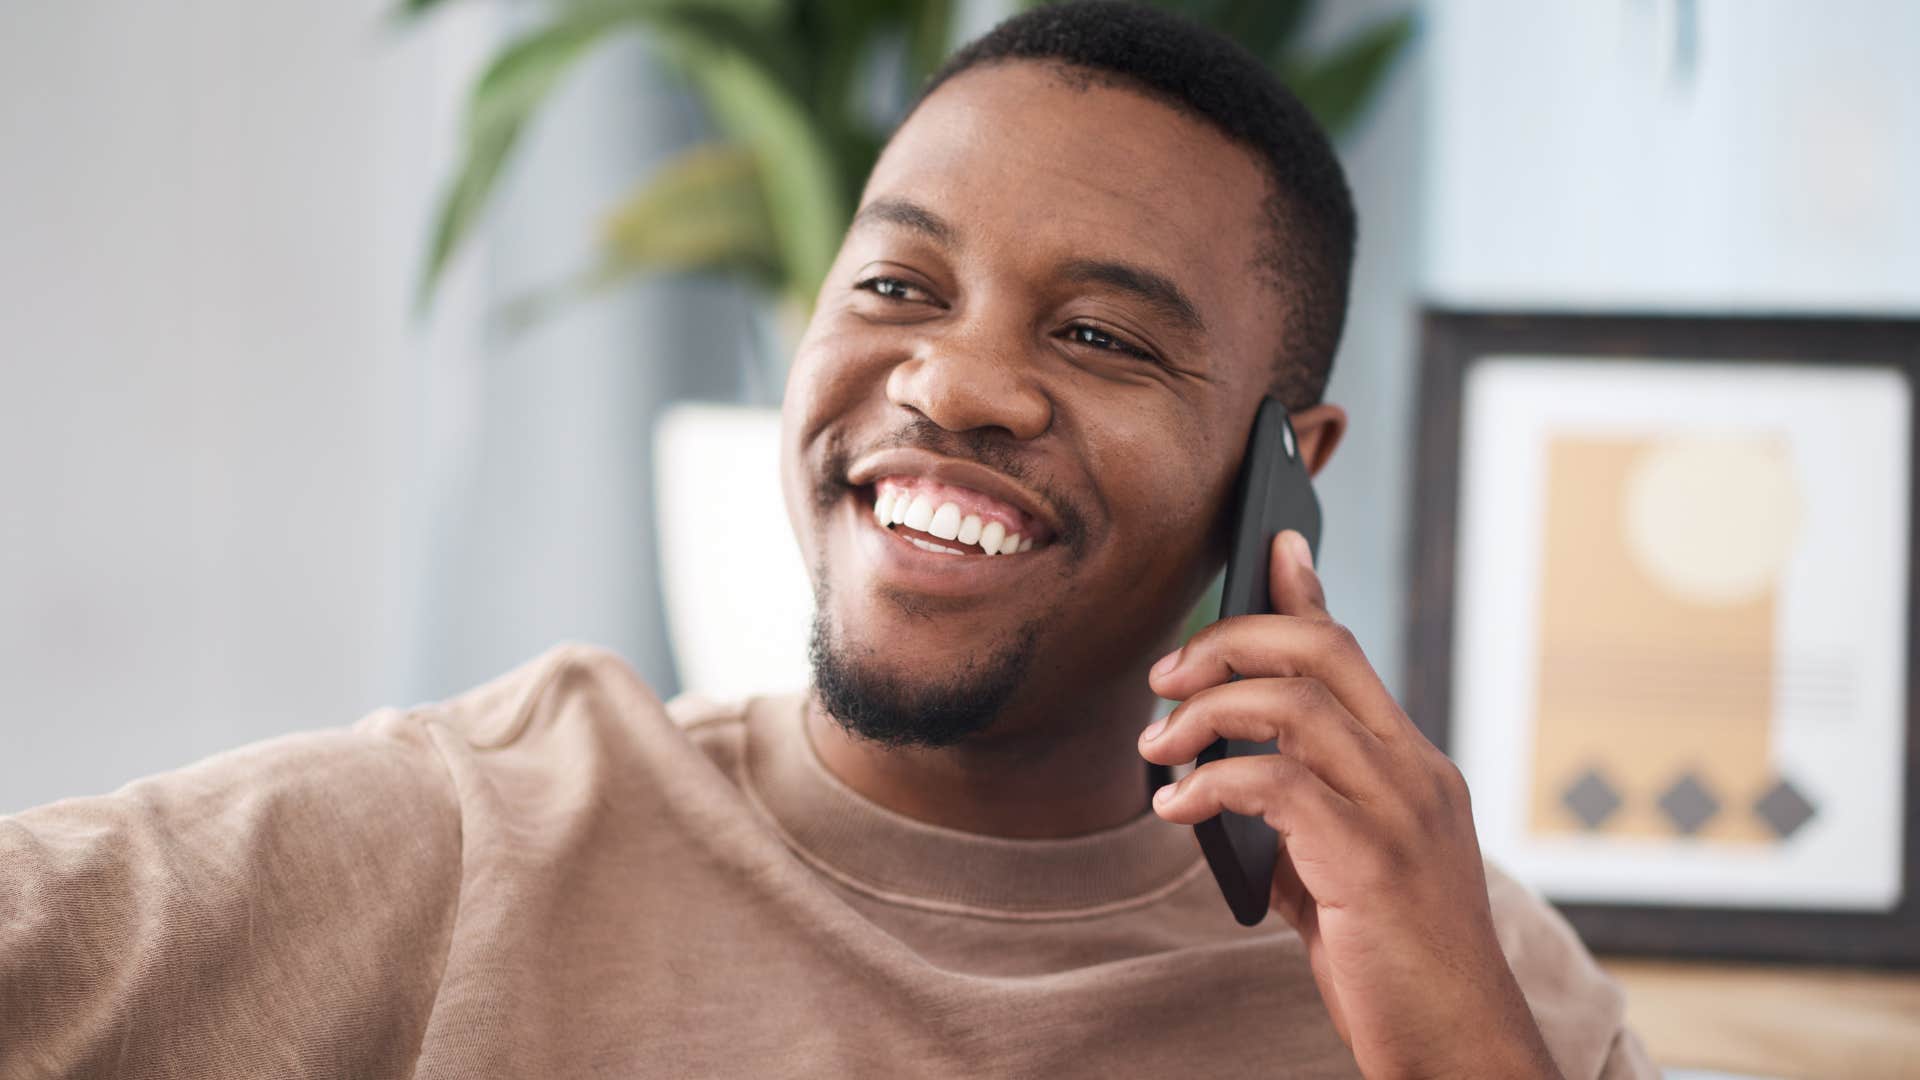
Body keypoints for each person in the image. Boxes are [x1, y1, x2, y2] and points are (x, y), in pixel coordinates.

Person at [0, 3, 1653, 1077]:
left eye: (1101, 337)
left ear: (1286, 469)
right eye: (896, 285)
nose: (953, 380)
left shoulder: (1465, 965)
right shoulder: (480, 833)